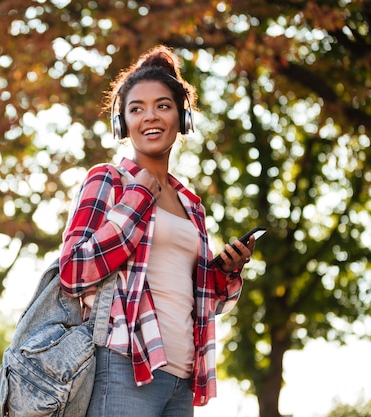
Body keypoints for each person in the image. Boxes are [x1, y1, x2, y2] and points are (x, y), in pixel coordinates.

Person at [59, 44, 255, 417]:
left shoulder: (191, 205)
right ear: (123, 124)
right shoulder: (109, 181)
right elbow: (73, 273)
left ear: (183, 117)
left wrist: (226, 271)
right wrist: (137, 199)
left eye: (163, 106)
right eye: (136, 109)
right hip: (124, 367)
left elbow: (201, 300)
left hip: (182, 377)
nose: (151, 117)